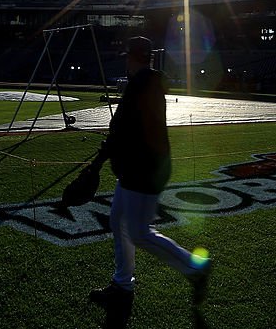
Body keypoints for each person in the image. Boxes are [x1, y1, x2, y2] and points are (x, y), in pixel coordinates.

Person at [90, 36, 212, 310]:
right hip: (140, 165)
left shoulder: (139, 85)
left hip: (144, 168)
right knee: (119, 221)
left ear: (131, 57)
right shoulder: (148, 83)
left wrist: (98, 161)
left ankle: (196, 268)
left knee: (139, 232)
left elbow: (120, 130)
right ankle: (122, 284)